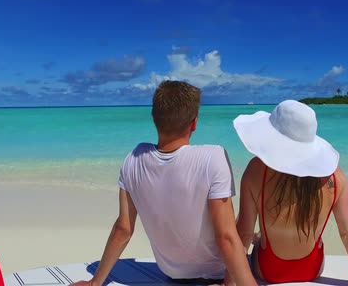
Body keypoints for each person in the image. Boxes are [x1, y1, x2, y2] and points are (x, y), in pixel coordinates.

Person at [71, 81, 256, 286]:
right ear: (194, 123)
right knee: (256, 237)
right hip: (218, 273)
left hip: (172, 273)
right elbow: (226, 237)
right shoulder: (213, 156)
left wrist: (95, 282)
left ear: (154, 119)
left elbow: (123, 229)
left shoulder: (133, 159)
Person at [233, 100, 348, 286]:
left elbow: (244, 233)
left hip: (268, 269)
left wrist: (231, 280)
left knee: (254, 233)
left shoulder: (256, 170)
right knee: (264, 234)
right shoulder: (336, 178)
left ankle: (261, 237)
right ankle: (261, 237)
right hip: (312, 268)